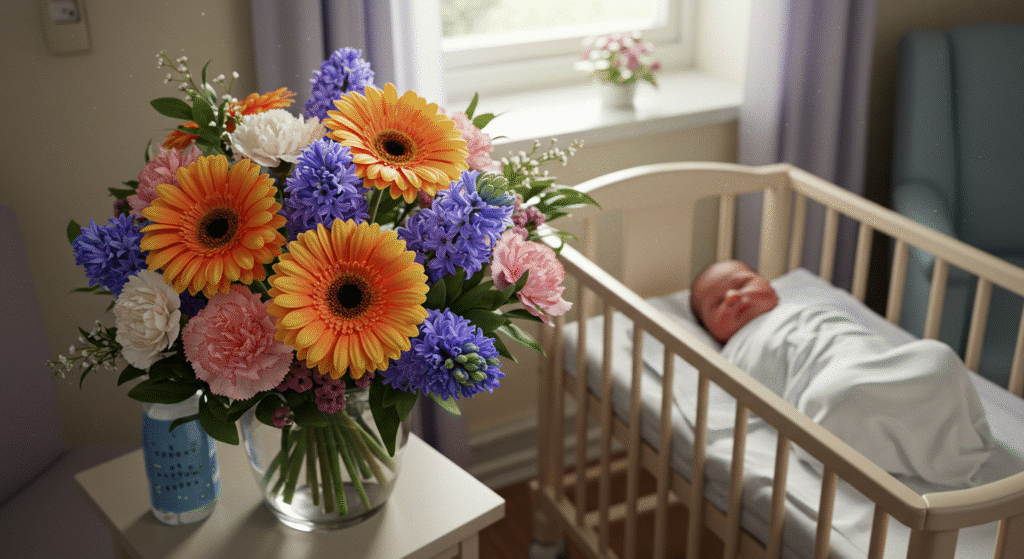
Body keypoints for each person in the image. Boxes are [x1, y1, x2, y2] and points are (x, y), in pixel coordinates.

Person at [688, 260, 994, 487]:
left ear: (768, 284)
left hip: (871, 360)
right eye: (717, 303)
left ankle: (945, 438)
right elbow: (762, 390)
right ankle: (901, 436)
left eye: (742, 284)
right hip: (830, 381)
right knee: (839, 396)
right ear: (712, 332)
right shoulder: (735, 352)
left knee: (939, 358)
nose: (733, 297)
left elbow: (855, 335)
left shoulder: (806, 304)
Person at [689, 259, 780, 344]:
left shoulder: (787, 309)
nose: (732, 296)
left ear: (767, 282)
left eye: (741, 285)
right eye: (719, 302)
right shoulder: (736, 350)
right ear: (710, 332)